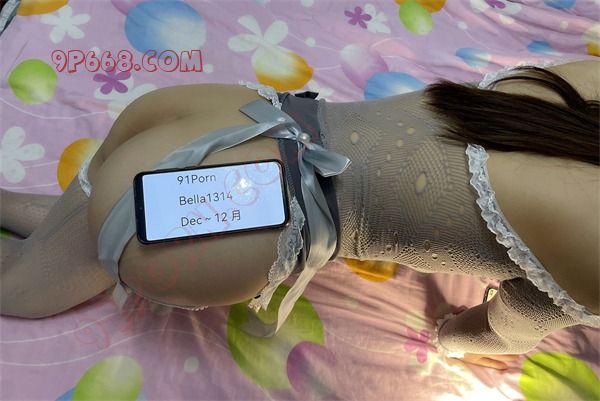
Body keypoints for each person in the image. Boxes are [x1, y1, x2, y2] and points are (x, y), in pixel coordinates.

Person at [1, 59, 598, 370]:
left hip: (231, 112)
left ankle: (46, 218)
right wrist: (453, 339)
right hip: (239, 223)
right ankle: (49, 254)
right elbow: (495, 332)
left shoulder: (588, 80)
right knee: (24, 284)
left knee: (101, 199)